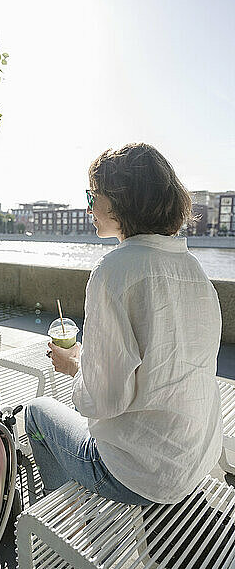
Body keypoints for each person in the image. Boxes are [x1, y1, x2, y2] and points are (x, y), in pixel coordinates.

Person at [25, 143, 223, 505]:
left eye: (92, 195)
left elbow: (104, 400)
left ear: (120, 200)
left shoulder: (114, 270)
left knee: (36, 414)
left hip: (140, 475)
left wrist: (75, 367)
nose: (88, 207)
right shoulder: (194, 270)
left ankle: (55, 515)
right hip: (194, 460)